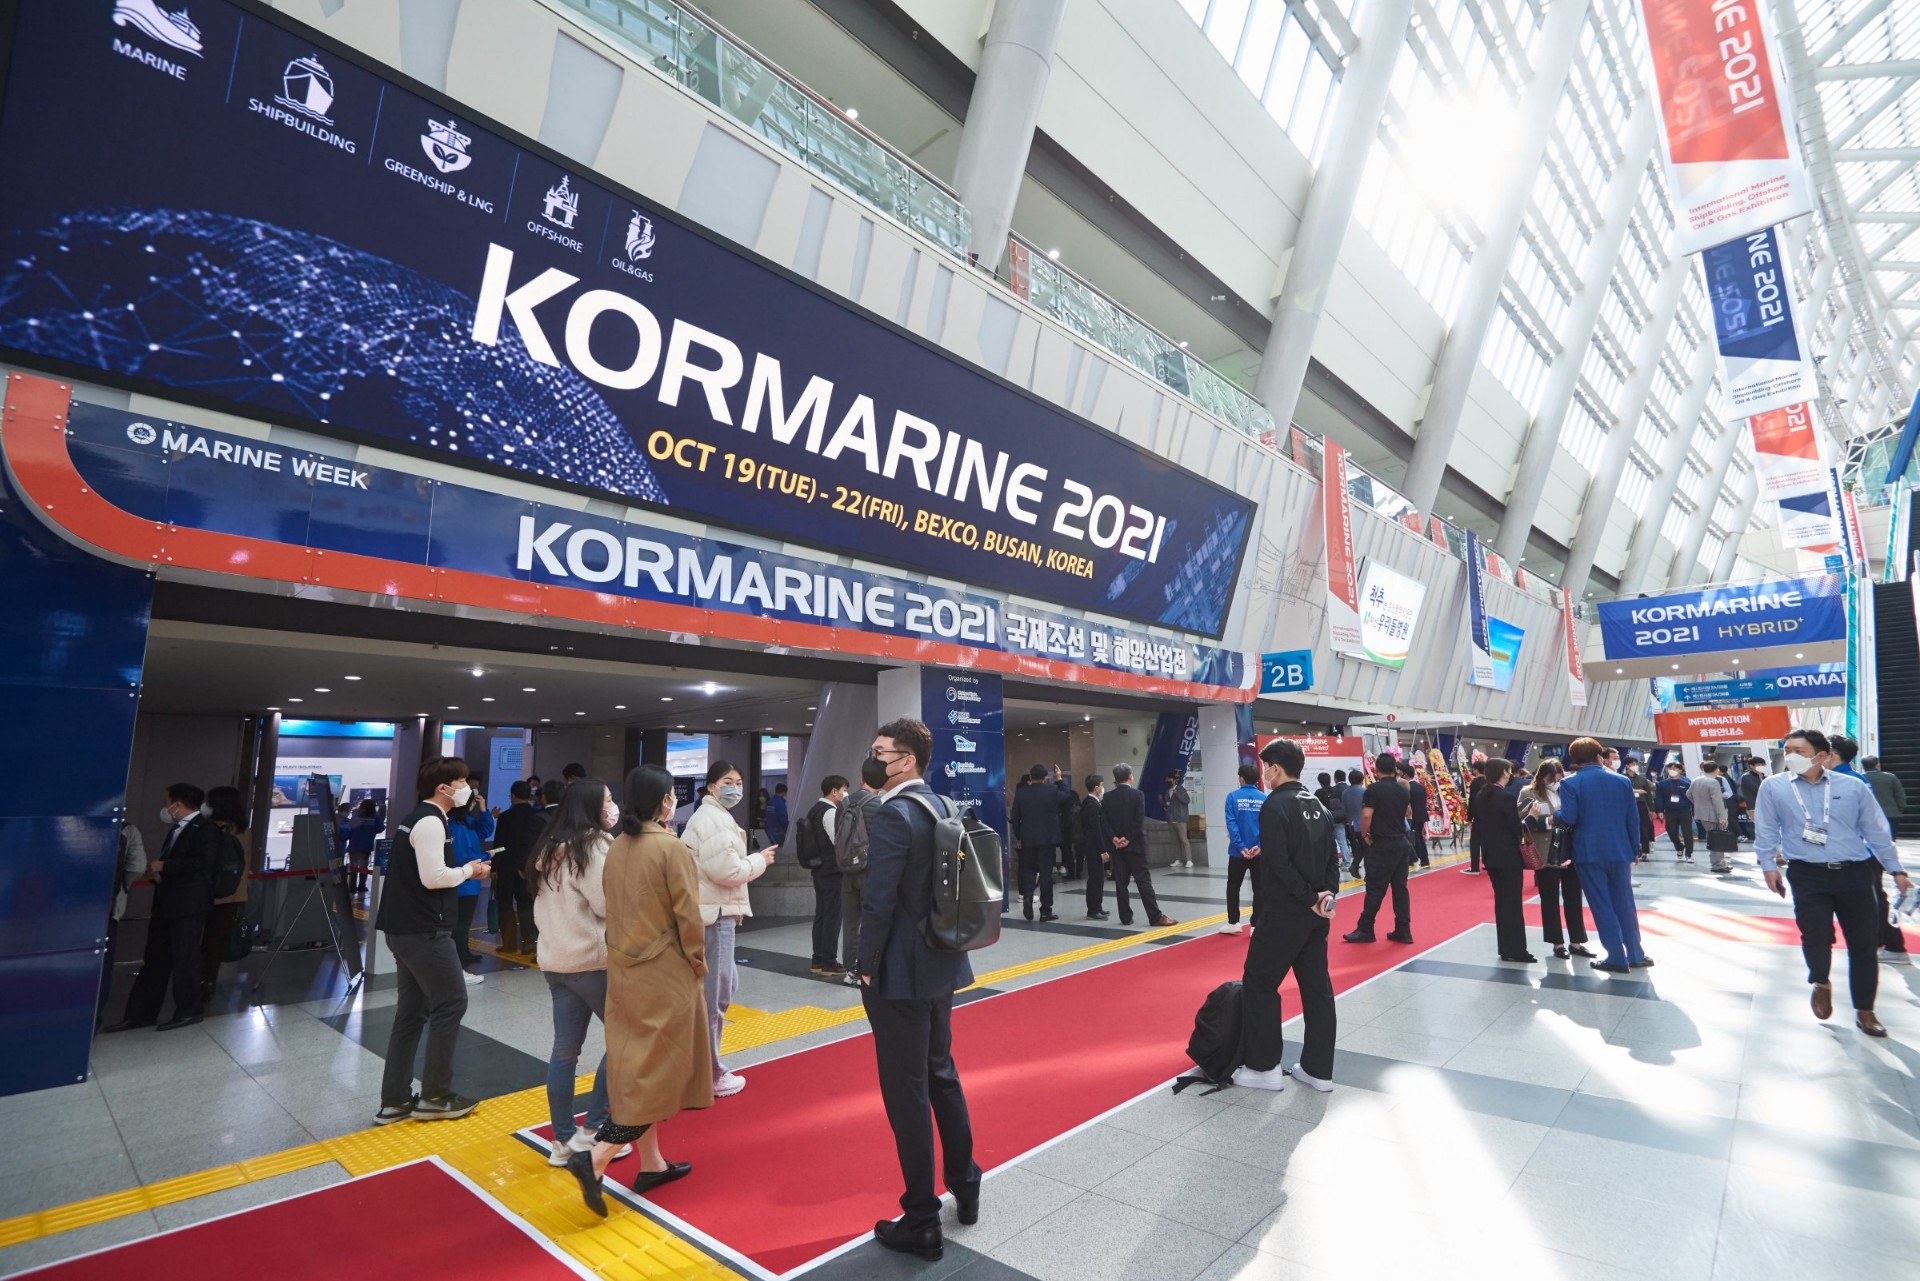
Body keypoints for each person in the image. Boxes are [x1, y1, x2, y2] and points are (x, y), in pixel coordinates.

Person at [563, 764, 713, 1215]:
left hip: (624, 967)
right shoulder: (670, 847)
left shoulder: (618, 847)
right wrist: (697, 962)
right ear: (664, 800)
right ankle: (596, 1157)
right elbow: (689, 916)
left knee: (638, 1066)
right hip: (664, 972)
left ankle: (652, 1163)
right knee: (660, 1070)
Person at [857, 718, 982, 1260]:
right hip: (942, 961)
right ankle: (966, 1182)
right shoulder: (942, 805)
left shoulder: (894, 814)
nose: (873, 758)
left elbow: (878, 900)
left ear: (906, 760)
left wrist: (866, 965)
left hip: (901, 972)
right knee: (941, 1072)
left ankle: (921, 1217)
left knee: (905, 1090)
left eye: (880, 751)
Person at [1754, 729, 1912, 1038]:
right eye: (1787, 750)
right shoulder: (1773, 786)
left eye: (1798, 750)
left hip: (1855, 873)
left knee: (1863, 943)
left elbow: (1876, 831)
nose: (1790, 756)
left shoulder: (1853, 786)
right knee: (1815, 936)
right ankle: (1821, 981)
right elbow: (1767, 828)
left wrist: (1896, 870)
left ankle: (1865, 1010)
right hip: (1806, 874)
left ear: (1822, 755)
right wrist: (1768, 865)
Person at [372, 757, 491, 1123]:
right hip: (423, 930)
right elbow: (434, 877)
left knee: (411, 1013)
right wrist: (470, 870)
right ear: (443, 788)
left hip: (406, 928)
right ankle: (436, 1095)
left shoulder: (421, 819)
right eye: (462, 781)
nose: (467, 788)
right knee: (451, 1002)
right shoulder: (429, 821)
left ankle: (395, 1100)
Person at [530, 779, 630, 1169]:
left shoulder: (549, 847)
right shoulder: (592, 846)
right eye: (608, 800)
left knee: (564, 1052)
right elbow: (607, 904)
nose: (613, 806)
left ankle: (562, 1141)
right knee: (625, 1037)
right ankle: (596, 1129)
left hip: (556, 962)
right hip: (592, 962)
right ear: (591, 806)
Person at [1234, 738, 1340, 1093]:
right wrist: (1325, 897)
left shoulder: (1275, 806)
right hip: (1317, 915)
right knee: (1317, 989)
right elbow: (1332, 858)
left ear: (1276, 769)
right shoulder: (1319, 805)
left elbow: (1277, 863)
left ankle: (1263, 1068)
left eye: (1266, 767)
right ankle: (1318, 1071)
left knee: (1259, 983)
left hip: (1282, 913)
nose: (1264, 773)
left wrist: (1308, 897)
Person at [682, 759, 769, 1097]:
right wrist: (760, 860)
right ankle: (711, 1073)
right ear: (712, 786)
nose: (735, 788)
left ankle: (704, 1068)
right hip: (715, 915)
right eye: (728, 781)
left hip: (715, 911)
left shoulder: (714, 816)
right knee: (715, 996)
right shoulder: (714, 819)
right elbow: (727, 872)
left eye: (739, 782)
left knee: (722, 987)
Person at [104, 784, 218, 1032]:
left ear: (178, 804)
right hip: (166, 903)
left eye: (168, 802)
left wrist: (166, 866)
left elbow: (205, 862)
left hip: (188, 906)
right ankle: (141, 1013)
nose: (165, 808)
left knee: (185, 959)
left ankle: (189, 1010)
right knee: (155, 959)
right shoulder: (177, 829)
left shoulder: (205, 829)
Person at [1555, 738, 1648, 975]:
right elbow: (1632, 818)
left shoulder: (1569, 783)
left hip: (1588, 852)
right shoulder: (1622, 781)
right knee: (1625, 903)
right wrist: (1634, 849)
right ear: (1599, 756)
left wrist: (1554, 815)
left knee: (1601, 903)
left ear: (1575, 760)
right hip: (1619, 850)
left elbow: (1570, 817)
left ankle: (1616, 957)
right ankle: (1636, 954)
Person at [1522, 760, 1591, 960]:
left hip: (1569, 849)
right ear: (1541, 776)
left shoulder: (1567, 789)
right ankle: (1557, 944)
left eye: (1558, 778)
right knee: (1549, 899)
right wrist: (1548, 820)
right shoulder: (1528, 793)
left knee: (1574, 896)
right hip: (1546, 851)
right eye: (1550, 779)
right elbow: (1523, 822)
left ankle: (1577, 942)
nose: (1554, 782)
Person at [1344, 754, 1414, 945]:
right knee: (1400, 889)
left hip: (1382, 844)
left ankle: (1365, 928)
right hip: (1401, 843)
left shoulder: (1373, 790)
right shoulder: (1403, 790)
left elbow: (1366, 815)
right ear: (1395, 770)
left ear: (1376, 770)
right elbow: (1407, 813)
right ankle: (1403, 930)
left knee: (1375, 888)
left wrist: (1364, 835)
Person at [1475, 759, 1534, 962]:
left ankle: (1506, 949)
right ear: (1503, 772)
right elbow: (1515, 828)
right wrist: (1530, 817)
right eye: (1508, 771)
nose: (1510, 774)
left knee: (1501, 903)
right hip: (1508, 856)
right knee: (1513, 904)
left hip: (1491, 855)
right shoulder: (1506, 797)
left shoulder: (1482, 795)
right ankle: (1518, 950)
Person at [1102, 764, 1175, 928]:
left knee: (1121, 882)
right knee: (1143, 881)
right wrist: (1128, 838)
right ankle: (1155, 916)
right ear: (1130, 777)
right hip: (1136, 846)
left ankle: (1125, 917)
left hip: (1117, 848)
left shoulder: (1107, 797)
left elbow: (1104, 821)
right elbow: (1138, 819)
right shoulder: (1138, 795)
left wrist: (1115, 838)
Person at [838, 760, 890, 986]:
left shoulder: (843, 803)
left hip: (847, 872)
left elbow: (839, 836)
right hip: (870, 872)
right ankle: (866, 968)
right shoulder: (880, 805)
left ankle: (850, 970)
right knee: (871, 922)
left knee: (850, 924)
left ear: (862, 780)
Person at [199, 785, 251, 1004]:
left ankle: (199, 983)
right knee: (216, 942)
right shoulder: (244, 829)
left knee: (202, 941)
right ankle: (208, 983)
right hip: (234, 894)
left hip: (210, 893)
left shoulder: (212, 829)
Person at [1860, 755, 1911, 966]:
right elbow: (1900, 795)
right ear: (1878, 764)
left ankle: (1887, 943)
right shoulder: (1889, 777)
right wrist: (1899, 809)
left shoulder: (1859, 780)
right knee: (1886, 844)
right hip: (1890, 815)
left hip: (1867, 837)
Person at [797, 775, 850, 975]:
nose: (845, 794)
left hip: (820, 870)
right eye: (844, 790)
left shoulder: (814, 809)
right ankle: (829, 961)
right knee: (832, 916)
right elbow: (838, 841)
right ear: (834, 791)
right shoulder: (830, 812)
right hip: (831, 871)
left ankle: (818, 960)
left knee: (821, 915)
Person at [99, 820, 149, 1026]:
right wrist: (123, 887)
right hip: (109, 908)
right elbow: (137, 866)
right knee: (103, 965)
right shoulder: (127, 829)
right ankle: (95, 1016)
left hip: (70, 909)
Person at [447, 783, 496, 977]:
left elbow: (485, 830)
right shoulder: (457, 826)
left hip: (469, 883)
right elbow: (463, 856)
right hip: (464, 883)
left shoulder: (464, 822)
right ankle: (458, 960)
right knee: (461, 922)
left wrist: (484, 811)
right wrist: (486, 856)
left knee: (464, 923)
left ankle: (463, 953)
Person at [492, 780, 545, 956]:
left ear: (513, 796)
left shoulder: (505, 817)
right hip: (527, 868)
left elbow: (499, 845)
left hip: (506, 868)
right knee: (526, 904)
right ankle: (529, 942)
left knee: (505, 905)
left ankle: (508, 944)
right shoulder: (536, 816)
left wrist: (494, 867)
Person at [1009, 764, 1064, 922]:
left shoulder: (1021, 793)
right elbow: (1066, 796)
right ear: (1046, 777)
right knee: (1046, 875)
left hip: (1028, 839)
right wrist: (1059, 779)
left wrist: (1020, 835)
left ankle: (1027, 895)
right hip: (1048, 840)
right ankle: (1045, 911)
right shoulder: (1052, 790)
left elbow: (1015, 817)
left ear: (1031, 777)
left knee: (1029, 870)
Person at [1221, 763, 1265, 935]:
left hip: (1237, 853)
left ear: (1241, 779)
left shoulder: (1232, 797)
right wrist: (1259, 846)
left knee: (1233, 886)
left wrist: (1240, 847)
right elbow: (1268, 826)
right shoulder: (1264, 798)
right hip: (1259, 852)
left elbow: (1231, 824)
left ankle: (1234, 922)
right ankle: (1256, 925)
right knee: (1259, 888)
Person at [1080, 774, 1114, 921]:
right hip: (1094, 849)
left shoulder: (1091, 803)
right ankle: (1093, 910)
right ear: (1096, 788)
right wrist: (1102, 850)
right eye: (1101, 785)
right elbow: (1095, 830)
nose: (1103, 788)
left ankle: (1098, 907)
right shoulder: (1092, 805)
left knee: (1099, 878)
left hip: (1093, 848)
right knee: (1095, 880)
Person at [1690, 760, 1732, 874]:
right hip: (1714, 815)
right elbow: (1717, 801)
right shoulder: (1714, 782)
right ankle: (1717, 864)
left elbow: (1688, 794)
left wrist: (1699, 804)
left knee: (1713, 838)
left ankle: (1720, 862)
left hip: (1702, 813)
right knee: (1717, 839)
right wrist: (1722, 817)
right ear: (1715, 770)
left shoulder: (1696, 780)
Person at [1655, 760, 1694, 860]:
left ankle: (1689, 854)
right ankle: (1679, 847)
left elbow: (1692, 798)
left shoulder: (1687, 783)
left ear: (1680, 770)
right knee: (1671, 832)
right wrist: (1659, 810)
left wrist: (1694, 811)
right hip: (1670, 811)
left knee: (1687, 833)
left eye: (1675, 768)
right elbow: (1659, 798)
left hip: (1685, 810)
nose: (1672, 770)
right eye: (1670, 768)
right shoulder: (1662, 784)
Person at [344, 798, 381, 896]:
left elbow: (349, 828)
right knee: (363, 867)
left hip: (354, 845)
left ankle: (352, 887)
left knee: (353, 866)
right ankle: (362, 886)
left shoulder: (356, 815)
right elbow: (380, 828)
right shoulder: (375, 817)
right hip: (366, 845)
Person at [1400, 761, 1432, 868]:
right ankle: (1425, 859)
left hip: (1413, 816)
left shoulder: (1407, 787)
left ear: (1405, 775)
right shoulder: (1420, 787)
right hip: (1422, 815)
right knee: (1419, 837)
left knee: (1415, 838)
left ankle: (1419, 859)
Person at [1161, 770, 1193, 868]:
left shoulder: (1180, 789)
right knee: (1175, 841)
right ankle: (1178, 860)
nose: (1167, 781)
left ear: (1174, 780)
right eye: (1166, 779)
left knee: (1183, 840)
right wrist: (1161, 802)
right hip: (1171, 819)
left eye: (1169, 779)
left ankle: (1189, 860)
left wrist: (1177, 794)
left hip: (1180, 818)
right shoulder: (1167, 792)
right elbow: (1167, 805)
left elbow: (1187, 800)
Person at [1315, 772, 1350, 860]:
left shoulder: (1318, 793)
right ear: (1330, 780)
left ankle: (1331, 861)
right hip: (1339, 819)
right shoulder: (1337, 790)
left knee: (1327, 843)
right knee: (1342, 842)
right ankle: (1348, 863)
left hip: (1326, 821)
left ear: (1320, 782)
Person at [1339, 769, 1367, 874]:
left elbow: (1344, 809)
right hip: (1364, 824)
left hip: (1351, 824)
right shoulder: (1364, 791)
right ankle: (1362, 868)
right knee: (1367, 848)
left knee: (1360, 846)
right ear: (1362, 780)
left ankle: (1355, 865)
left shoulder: (1345, 793)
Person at [1626, 759, 1655, 860]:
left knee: (1644, 828)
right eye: (1633, 764)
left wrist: (1651, 809)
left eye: (1636, 764)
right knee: (1629, 828)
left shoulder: (1642, 780)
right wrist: (1635, 791)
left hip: (1641, 805)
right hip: (1627, 806)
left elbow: (1648, 796)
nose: (1635, 766)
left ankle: (1644, 851)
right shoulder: (1623, 778)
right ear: (1627, 765)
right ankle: (1632, 850)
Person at [1463, 761, 1487, 876]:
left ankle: (1474, 867)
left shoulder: (1475, 783)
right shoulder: (1489, 781)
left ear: (1476, 770)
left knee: (1475, 842)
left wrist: (1469, 817)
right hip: (1490, 816)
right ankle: (1488, 863)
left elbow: (1472, 801)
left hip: (1479, 816)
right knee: (1487, 841)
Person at [1738, 757, 1767, 844]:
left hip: (1763, 806)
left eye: (1763, 764)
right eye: (1759, 764)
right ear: (1751, 766)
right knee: (1762, 830)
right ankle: (1766, 848)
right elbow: (1759, 790)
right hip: (1754, 807)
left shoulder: (1762, 776)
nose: (1761, 766)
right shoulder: (1746, 777)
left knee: (1766, 829)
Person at [766, 782, 791, 849]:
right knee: (780, 851)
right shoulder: (781, 804)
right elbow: (783, 818)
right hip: (779, 832)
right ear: (783, 792)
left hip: (769, 832)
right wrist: (788, 829)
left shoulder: (769, 803)